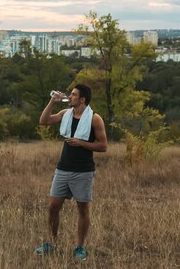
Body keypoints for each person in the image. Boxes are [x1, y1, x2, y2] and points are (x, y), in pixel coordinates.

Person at [35, 83, 108, 261]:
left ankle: (80, 247)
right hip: (63, 169)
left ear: (82, 99)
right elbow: (43, 121)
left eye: (73, 95)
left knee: (82, 209)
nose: (70, 96)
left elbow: (103, 146)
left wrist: (81, 143)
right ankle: (52, 243)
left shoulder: (94, 119)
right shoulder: (65, 114)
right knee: (53, 207)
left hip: (83, 171)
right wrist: (53, 101)